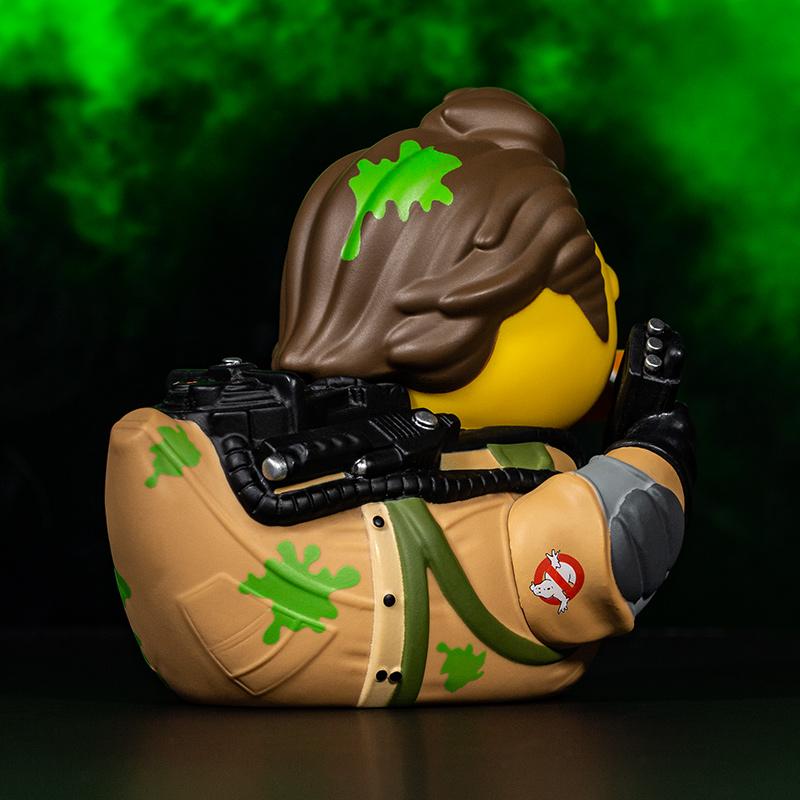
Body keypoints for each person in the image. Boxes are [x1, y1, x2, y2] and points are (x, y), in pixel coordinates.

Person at [106, 88, 695, 706]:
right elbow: (603, 556)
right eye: (591, 275)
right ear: (466, 316)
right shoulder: (486, 486)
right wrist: (650, 454)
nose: (613, 284)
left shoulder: (381, 450)